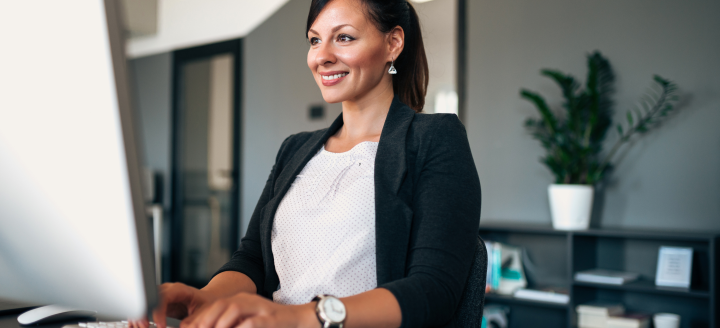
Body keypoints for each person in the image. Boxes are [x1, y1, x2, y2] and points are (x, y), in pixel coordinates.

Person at [136, 0, 481, 327]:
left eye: (344, 37)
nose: (322, 56)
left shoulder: (434, 138)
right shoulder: (295, 149)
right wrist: (205, 298)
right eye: (315, 41)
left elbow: (434, 290)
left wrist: (299, 318)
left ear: (393, 43)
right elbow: (252, 259)